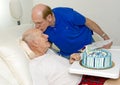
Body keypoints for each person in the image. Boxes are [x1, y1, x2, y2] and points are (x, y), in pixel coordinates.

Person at [22, 28, 120, 85]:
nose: (47, 36)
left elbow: (59, 69)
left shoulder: (48, 52)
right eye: (42, 35)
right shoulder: (36, 66)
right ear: (35, 43)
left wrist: (70, 60)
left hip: (84, 76)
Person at [31, 3, 113, 59]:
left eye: (39, 23)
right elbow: (48, 44)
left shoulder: (67, 15)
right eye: (35, 23)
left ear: (49, 17)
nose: (36, 26)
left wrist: (105, 37)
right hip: (68, 55)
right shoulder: (43, 28)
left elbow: (88, 22)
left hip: (87, 49)